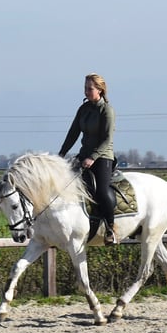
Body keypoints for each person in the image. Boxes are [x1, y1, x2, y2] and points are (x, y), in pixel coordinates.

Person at [58, 73, 118, 245]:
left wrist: (93, 157)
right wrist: (61, 154)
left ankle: (110, 228)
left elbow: (107, 139)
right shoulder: (83, 109)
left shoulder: (107, 110)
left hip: (102, 157)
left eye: (89, 88)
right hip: (84, 155)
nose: (86, 92)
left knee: (101, 191)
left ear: (100, 90)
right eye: (85, 88)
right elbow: (73, 133)